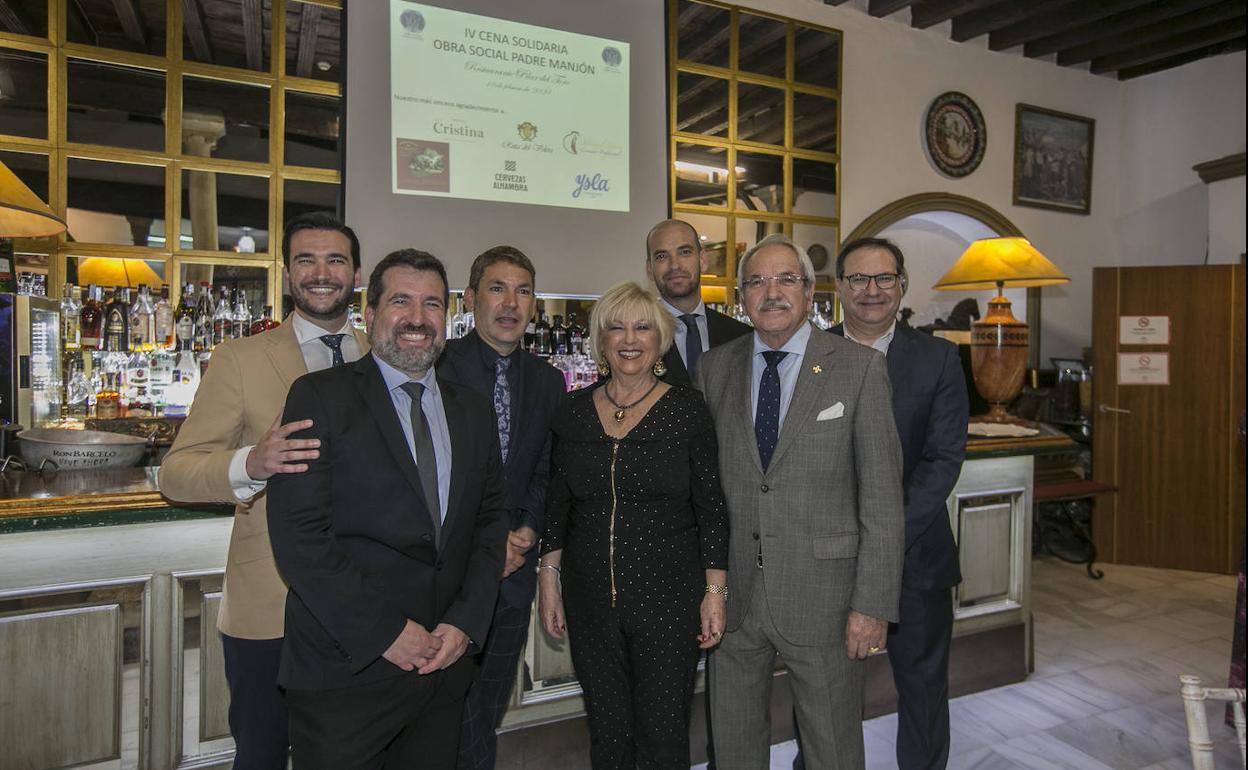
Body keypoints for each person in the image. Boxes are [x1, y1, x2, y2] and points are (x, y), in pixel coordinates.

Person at [266, 249, 508, 769]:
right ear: (369, 314)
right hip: (346, 675)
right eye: (401, 302)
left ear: (449, 318)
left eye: (432, 305)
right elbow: (300, 537)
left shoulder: (472, 409)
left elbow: (490, 527)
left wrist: (465, 625)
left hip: (441, 670)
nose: (417, 319)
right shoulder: (318, 397)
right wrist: (386, 635)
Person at [160, 212, 366, 770]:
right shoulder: (241, 359)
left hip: (368, 604)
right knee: (263, 755)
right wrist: (252, 462)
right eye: (306, 260)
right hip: (269, 606)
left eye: (335, 260)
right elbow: (175, 473)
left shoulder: (387, 356)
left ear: (356, 273)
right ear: (286, 273)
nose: (321, 273)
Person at [695, 233, 904, 770]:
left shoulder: (859, 369)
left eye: (786, 278)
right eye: (757, 281)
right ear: (741, 296)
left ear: (811, 294)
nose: (772, 292)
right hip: (734, 597)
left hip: (828, 601)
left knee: (832, 749)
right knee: (735, 747)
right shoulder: (714, 369)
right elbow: (704, 490)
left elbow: (882, 500)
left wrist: (873, 604)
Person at [537, 281, 729, 769]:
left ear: (661, 338)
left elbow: (711, 508)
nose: (630, 338)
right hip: (590, 599)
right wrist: (548, 579)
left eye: (643, 326)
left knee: (663, 737)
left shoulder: (687, 410)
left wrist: (715, 593)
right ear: (600, 340)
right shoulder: (573, 410)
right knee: (607, 732)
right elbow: (557, 503)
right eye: (616, 327)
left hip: (669, 600)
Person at [793, 237, 968, 770]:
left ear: (902, 285)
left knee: (922, 688)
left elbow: (942, 460)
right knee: (823, 692)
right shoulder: (806, 356)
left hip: (917, 557)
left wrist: (884, 536)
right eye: (858, 280)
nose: (872, 291)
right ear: (838, 288)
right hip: (829, 560)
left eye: (884, 278)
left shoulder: (938, 359)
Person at [436, 246, 565, 769]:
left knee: (485, 711)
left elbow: (546, 470)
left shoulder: (548, 380)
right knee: (442, 712)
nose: (510, 303)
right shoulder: (437, 367)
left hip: (512, 578)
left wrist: (529, 530)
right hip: (446, 578)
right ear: (469, 299)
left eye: (523, 291)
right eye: (497, 288)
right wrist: (486, 546)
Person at [645, 219, 751, 386]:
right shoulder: (635, 339)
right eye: (662, 256)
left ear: (703, 260)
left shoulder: (742, 336)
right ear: (650, 269)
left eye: (685, 252)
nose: (674, 265)